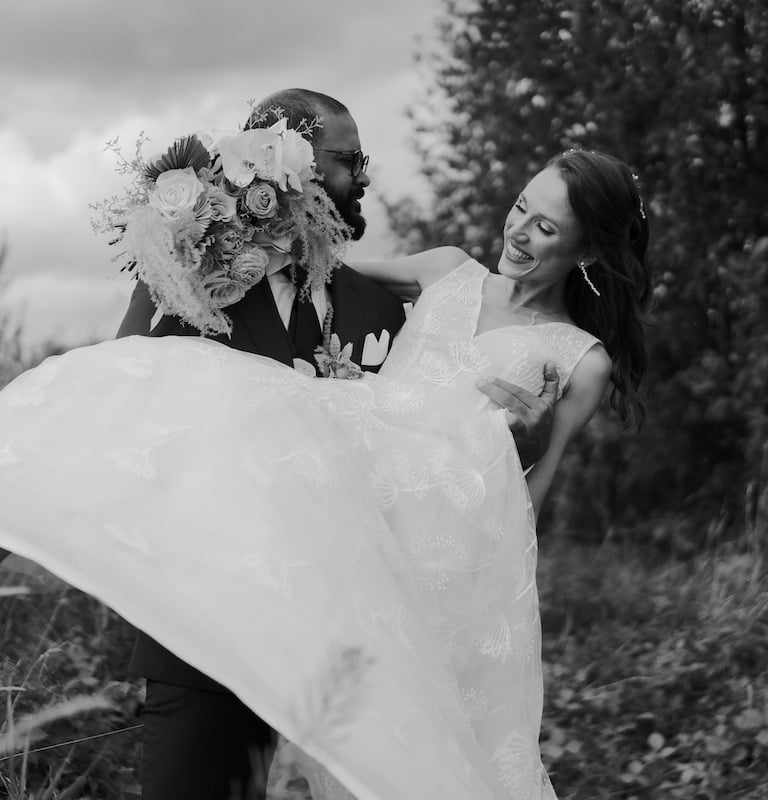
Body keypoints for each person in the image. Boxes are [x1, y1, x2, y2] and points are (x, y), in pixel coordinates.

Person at [0, 147, 651, 799]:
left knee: (404, 755)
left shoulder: (581, 362)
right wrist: (223, 216)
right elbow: (313, 270)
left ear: (589, 251)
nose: (519, 231)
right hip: (358, 508)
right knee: (209, 383)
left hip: (445, 557)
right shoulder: (448, 271)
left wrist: (526, 447)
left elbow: (529, 512)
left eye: (545, 227)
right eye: (520, 208)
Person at [110, 88, 560, 800]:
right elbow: (116, 405)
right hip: (209, 633)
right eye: (349, 160)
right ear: (287, 167)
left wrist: (511, 446)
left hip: (349, 658)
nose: (364, 176)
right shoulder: (188, 279)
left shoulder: (381, 308)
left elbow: (426, 468)